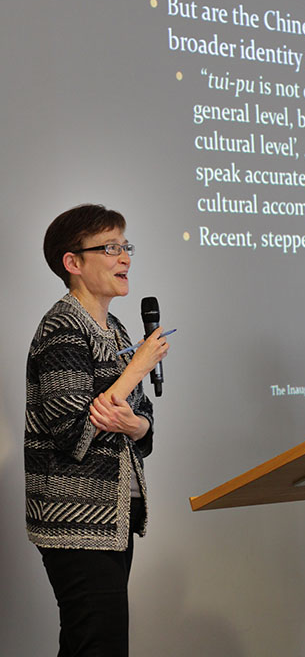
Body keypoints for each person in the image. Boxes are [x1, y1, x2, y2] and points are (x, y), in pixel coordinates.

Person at [24, 204, 169, 657]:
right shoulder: (64, 327)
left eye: (126, 246)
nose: (125, 257)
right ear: (74, 263)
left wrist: (136, 423)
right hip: (75, 520)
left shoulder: (115, 328)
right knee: (97, 645)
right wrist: (138, 368)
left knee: (96, 644)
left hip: (110, 517)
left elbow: (141, 422)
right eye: (110, 248)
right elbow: (71, 430)